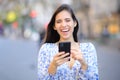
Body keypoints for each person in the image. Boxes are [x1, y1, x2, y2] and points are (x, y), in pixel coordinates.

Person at [38, 4, 99, 80]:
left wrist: (83, 64)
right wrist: (53, 65)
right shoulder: (46, 49)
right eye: (59, 21)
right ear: (54, 26)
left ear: (75, 23)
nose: (63, 25)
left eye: (67, 20)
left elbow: (94, 78)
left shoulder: (89, 48)